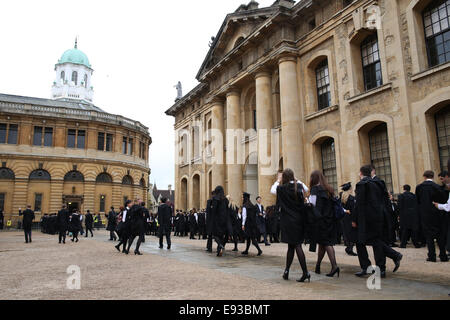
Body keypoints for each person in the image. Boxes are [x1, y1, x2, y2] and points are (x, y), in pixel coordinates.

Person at [276, 168, 310, 283]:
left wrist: (278, 180)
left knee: (294, 246)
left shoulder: (280, 188)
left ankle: (305, 272)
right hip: (299, 219)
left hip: (287, 221)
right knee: (293, 245)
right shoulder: (298, 187)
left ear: (284, 177)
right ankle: (286, 271)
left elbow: (272, 191)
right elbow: (306, 189)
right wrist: (297, 180)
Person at [309, 170, 340, 278]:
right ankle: (318, 265)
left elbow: (312, 205)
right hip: (330, 219)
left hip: (320, 220)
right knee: (322, 243)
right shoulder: (328, 189)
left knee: (326, 243)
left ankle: (334, 266)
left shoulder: (314, 189)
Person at [416, 171, 449, 262]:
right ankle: (443, 255)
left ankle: (432, 256)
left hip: (425, 214)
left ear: (424, 176)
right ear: (433, 176)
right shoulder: (437, 187)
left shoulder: (419, 187)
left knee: (429, 236)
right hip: (437, 214)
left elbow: (418, 201)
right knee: (439, 235)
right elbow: (443, 200)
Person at [241, 192, 263, 256]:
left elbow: (244, 216)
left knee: (252, 239)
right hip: (253, 224)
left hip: (248, 224)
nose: (242, 198)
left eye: (242, 197)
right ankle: (246, 250)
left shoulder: (245, 206)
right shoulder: (252, 205)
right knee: (248, 238)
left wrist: (243, 224)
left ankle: (259, 250)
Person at [340, 182, 357, 256]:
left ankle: (348, 247)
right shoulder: (351, 198)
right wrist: (354, 219)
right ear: (349, 189)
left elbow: (340, 208)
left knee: (346, 232)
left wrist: (345, 210)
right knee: (351, 233)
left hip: (344, 217)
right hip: (350, 217)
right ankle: (349, 249)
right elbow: (353, 210)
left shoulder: (342, 198)